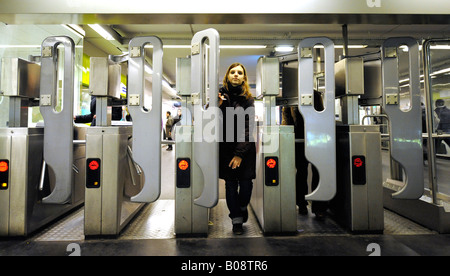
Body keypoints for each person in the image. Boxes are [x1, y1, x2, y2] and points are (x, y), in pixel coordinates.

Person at [218, 62, 256, 235]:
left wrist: (240, 154)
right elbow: (207, 119)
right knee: (231, 185)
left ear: (244, 77)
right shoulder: (219, 95)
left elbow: (248, 128)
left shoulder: (248, 99)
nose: (235, 75)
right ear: (227, 75)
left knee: (246, 185)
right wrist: (216, 105)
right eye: (232, 72)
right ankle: (236, 220)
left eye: (239, 72)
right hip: (226, 148)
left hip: (244, 149)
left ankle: (242, 206)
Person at [281, 90, 328, 219]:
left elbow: (321, 115)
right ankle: (302, 203)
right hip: (299, 141)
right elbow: (287, 120)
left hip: (314, 139)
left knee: (316, 172)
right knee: (302, 172)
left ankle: (319, 206)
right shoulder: (292, 95)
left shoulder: (315, 95)